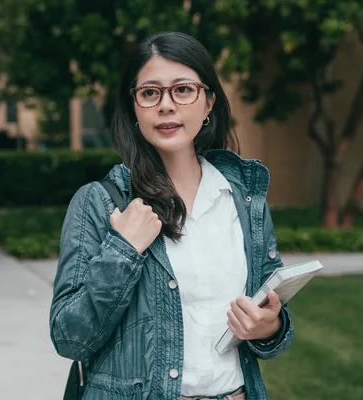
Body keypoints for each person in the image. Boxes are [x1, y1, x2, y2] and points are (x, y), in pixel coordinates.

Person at [49, 31, 293, 400]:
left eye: (183, 89)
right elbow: (69, 337)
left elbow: (271, 334)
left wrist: (270, 326)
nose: (166, 105)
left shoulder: (243, 199)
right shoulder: (100, 204)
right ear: (133, 107)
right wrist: (123, 249)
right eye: (150, 93)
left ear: (208, 102)